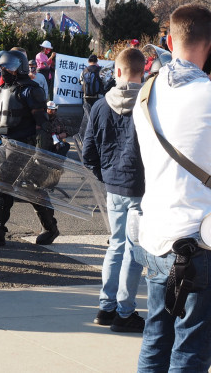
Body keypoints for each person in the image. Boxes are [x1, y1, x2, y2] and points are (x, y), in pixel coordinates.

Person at [132, 4, 211, 372]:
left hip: (156, 237)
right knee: (192, 351)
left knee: (156, 343)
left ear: (169, 41)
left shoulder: (145, 94)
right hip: (204, 240)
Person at [82, 48, 147, 334]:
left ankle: (106, 307)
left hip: (114, 184)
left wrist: (105, 176)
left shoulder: (99, 106)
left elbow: (88, 153)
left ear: (117, 71)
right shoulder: (149, 103)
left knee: (116, 245)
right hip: (141, 185)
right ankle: (124, 310)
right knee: (133, 250)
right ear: (142, 72)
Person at [0, 50, 59, 247]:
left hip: (26, 146)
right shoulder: (4, 89)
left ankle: (50, 227)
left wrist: (40, 153)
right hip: (7, 146)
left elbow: (43, 125)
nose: (3, 70)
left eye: (7, 67)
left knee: (31, 189)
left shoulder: (31, 90)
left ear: (18, 67)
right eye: (2, 67)